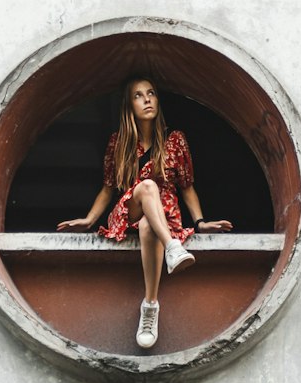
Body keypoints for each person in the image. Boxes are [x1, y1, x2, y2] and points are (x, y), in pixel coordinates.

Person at [57, 77, 232, 350]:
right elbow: (108, 188)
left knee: (148, 227)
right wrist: (90, 219)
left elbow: (187, 187)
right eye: (139, 95)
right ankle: (173, 247)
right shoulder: (118, 142)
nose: (147, 99)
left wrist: (200, 222)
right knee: (148, 186)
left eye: (151, 93)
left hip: (162, 216)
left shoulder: (175, 141)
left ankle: (150, 305)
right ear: (129, 105)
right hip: (128, 211)